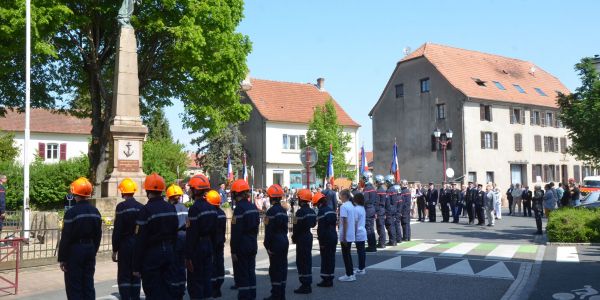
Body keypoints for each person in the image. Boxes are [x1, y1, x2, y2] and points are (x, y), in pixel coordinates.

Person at [133, 173, 178, 300]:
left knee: (152, 289)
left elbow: (140, 240)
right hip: (168, 251)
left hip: (152, 254)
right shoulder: (170, 207)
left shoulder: (145, 211)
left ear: (147, 190)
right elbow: (174, 232)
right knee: (167, 287)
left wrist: (136, 266)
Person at [58, 177, 102, 300]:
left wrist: (62, 258)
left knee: (74, 286)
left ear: (74, 193)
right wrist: (94, 250)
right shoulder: (95, 211)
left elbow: (66, 237)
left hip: (75, 251)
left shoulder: (71, 213)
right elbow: (98, 234)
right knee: (88, 283)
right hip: (90, 249)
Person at [185, 174, 217, 300]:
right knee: (206, 279)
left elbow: (191, 234)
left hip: (197, 248)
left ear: (196, 190)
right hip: (208, 245)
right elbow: (215, 232)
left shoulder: (194, 209)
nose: (190, 191)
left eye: (192, 188)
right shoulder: (211, 207)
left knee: (195, 282)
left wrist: (188, 256)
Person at [112, 178, 143, 300]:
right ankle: (135, 297)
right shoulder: (141, 207)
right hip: (137, 244)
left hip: (125, 244)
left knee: (124, 273)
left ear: (122, 192)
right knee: (136, 272)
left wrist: (115, 249)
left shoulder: (121, 207)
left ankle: (125, 296)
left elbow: (118, 229)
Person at [230, 179, 260, 300]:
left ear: (237, 194)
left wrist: (233, 250)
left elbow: (236, 232)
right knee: (251, 271)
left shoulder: (239, 209)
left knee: (242, 273)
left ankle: (244, 297)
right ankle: (252, 295)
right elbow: (257, 226)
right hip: (252, 242)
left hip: (242, 244)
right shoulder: (252, 207)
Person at [263, 184, 290, 299]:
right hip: (284, 240)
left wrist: (267, 245)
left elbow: (269, 231)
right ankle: (281, 294)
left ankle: (275, 295)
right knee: (283, 268)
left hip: (275, 242)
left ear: (270, 197)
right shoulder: (284, 211)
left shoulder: (270, 212)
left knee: (275, 269)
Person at [164, 184, 188, 300]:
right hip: (184, 237)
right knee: (182, 266)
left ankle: (174, 290)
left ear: (170, 197)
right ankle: (181, 289)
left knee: (173, 266)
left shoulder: (170, 208)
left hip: (175, 238)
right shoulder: (184, 207)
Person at [291, 189, 317, 294]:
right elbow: (314, 224)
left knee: (301, 261)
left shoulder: (300, 212)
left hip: (301, 237)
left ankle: (305, 284)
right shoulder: (311, 211)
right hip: (308, 236)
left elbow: (296, 226)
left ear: (301, 199)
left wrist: (294, 237)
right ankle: (307, 282)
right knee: (307, 260)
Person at [313, 191, 337, 288]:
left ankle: (326, 279)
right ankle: (330, 278)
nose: (316, 206)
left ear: (319, 203)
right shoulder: (331, 210)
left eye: (316, 204)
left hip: (326, 237)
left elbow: (321, 228)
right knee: (331, 258)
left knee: (325, 259)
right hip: (333, 236)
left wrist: (321, 241)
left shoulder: (322, 211)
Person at [206, 190, 226, 298]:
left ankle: (214, 287)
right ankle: (218, 286)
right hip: (220, 241)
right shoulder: (222, 213)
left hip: (212, 241)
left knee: (213, 264)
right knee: (220, 263)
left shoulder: (211, 214)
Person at [338, 189, 357, 282]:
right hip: (351, 232)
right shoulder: (352, 206)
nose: (340, 197)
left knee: (346, 255)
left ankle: (349, 274)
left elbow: (345, 222)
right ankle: (351, 273)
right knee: (348, 254)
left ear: (344, 196)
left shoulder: (344, 206)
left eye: (340, 195)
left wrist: (344, 236)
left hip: (345, 233)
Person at [361, 172, 378, 252]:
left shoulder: (367, 188)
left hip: (367, 210)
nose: (362, 180)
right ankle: (373, 245)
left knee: (368, 229)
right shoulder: (373, 188)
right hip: (372, 209)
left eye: (363, 178)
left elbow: (365, 201)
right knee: (371, 228)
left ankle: (371, 246)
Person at [353, 192, 367, 275]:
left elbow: (355, 222)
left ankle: (361, 268)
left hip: (358, 231)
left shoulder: (356, 209)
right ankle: (362, 267)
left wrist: (353, 233)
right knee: (362, 251)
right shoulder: (362, 208)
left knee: (360, 251)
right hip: (362, 230)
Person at [385, 175, 400, 245]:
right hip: (394, 209)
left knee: (390, 226)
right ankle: (394, 240)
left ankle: (392, 240)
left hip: (390, 210)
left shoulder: (389, 190)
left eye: (386, 182)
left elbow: (387, 202)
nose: (386, 183)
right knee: (393, 225)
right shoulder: (394, 189)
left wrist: (386, 211)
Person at [374, 175, 387, 248]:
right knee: (381, 226)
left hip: (379, 210)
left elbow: (377, 202)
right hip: (382, 209)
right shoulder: (383, 189)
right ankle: (382, 241)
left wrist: (375, 212)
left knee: (380, 226)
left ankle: (382, 242)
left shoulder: (379, 190)